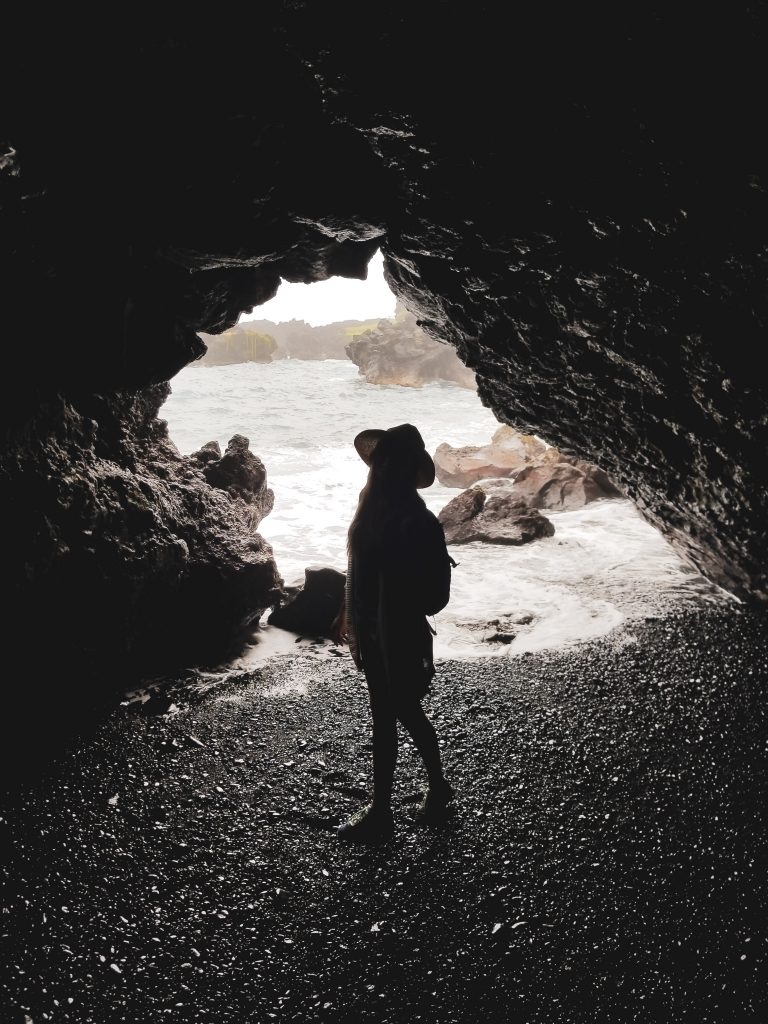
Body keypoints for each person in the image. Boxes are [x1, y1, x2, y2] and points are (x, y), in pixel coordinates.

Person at [331, 422, 455, 843]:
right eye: (380, 458)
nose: (382, 466)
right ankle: (427, 793)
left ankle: (388, 808)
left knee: (395, 712)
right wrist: (347, 612)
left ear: (401, 466)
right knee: (391, 713)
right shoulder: (370, 505)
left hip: (399, 632)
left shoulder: (417, 519)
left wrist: (389, 613)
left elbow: (432, 595)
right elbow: (358, 566)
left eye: (390, 460)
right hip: (370, 628)